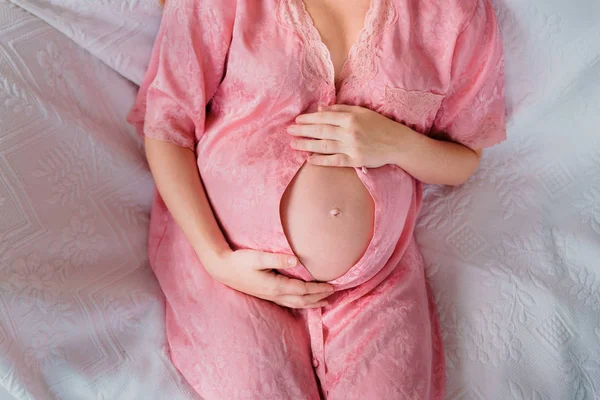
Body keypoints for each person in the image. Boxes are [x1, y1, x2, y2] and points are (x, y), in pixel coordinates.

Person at [128, 0, 506, 398]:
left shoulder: (454, 14)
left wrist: (398, 144)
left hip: (375, 284)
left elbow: (464, 158)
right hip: (232, 272)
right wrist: (217, 260)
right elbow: (166, 127)